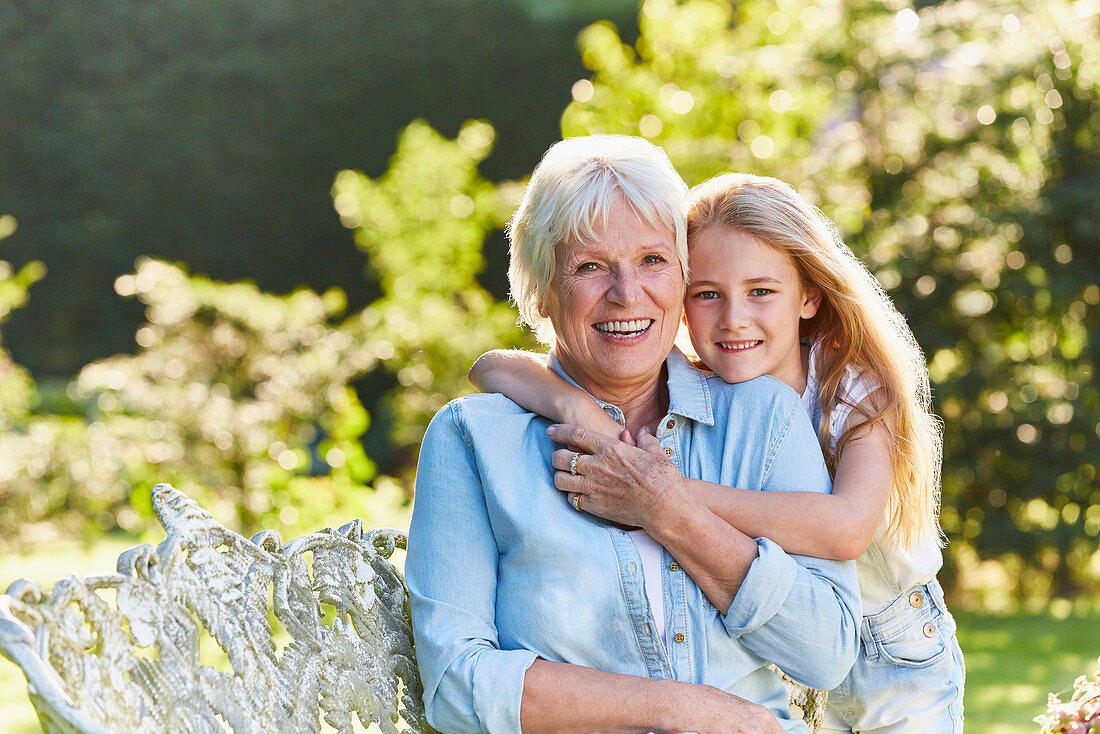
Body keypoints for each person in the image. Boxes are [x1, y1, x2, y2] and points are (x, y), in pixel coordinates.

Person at [470, 172, 965, 732]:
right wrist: (571, 405)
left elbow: (846, 529)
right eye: (707, 294)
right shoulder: (707, 391)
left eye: (761, 292)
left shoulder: (848, 384)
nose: (733, 318)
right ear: (681, 303)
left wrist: (664, 496)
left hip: (894, 648)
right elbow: (492, 365)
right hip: (791, 658)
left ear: (809, 295)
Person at [406, 137, 860, 734]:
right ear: (540, 291)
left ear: (681, 277)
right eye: (589, 267)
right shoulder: (474, 442)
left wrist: (668, 510)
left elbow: (827, 653)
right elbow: (456, 687)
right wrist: (685, 710)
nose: (627, 293)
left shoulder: (763, 418)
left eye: (652, 260)